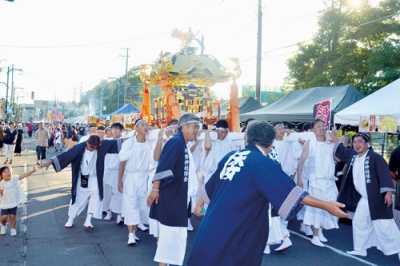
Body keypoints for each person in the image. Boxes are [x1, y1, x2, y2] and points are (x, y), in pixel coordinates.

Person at [187, 121, 349, 265]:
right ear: (271, 143)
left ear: (248, 138)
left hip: (212, 225)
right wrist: (326, 204)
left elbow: (208, 189)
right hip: (237, 229)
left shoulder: (231, 156)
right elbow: (293, 193)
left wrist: (199, 206)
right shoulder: (262, 162)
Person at [332, 132, 400, 260]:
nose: (357, 145)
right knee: (359, 222)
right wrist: (335, 140)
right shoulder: (353, 156)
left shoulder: (375, 157)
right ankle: (360, 249)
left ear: (367, 144)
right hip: (365, 199)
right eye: (355, 142)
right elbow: (342, 150)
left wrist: (388, 193)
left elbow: (385, 174)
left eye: (360, 142)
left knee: (385, 227)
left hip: (377, 198)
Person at [147, 114, 201, 266]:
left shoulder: (181, 143)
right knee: (170, 237)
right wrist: (155, 189)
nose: (197, 130)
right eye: (194, 127)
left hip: (180, 197)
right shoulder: (175, 142)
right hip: (173, 198)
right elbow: (163, 166)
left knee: (175, 238)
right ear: (183, 126)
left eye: (198, 127)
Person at [39, 135, 122, 229]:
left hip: (96, 177)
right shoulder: (79, 148)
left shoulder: (102, 145)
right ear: (87, 142)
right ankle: (70, 219)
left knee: (96, 197)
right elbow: (65, 155)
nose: (93, 149)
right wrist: (49, 162)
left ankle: (88, 220)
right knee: (79, 197)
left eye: (96, 147)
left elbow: (119, 142)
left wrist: (134, 137)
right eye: (91, 147)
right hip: (84, 177)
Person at [297, 118, 339, 247]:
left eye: (323, 125)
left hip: (330, 180)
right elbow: (301, 162)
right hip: (316, 180)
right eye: (319, 126)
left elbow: (338, 157)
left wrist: (335, 139)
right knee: (316, 208)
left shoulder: (330, 142)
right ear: (313, 130)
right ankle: (315, 236)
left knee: (331, 206)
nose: (322, 128)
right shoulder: (310, 143)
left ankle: (320, 230)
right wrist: (299, 179)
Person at [118, 119, 152, 245]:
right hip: (131, 177)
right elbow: (122, 162)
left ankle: (137, 226)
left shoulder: (150, 142)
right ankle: (131, 235)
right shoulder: (129, 143)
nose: (145, 127)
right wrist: (119, 180)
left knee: (143, 206)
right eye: (142, 125)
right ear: (136, 128)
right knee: (131, 205)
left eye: (146, 125)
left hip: (145, 177)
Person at [0, 165, 37, 236]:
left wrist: (32, 171)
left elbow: (23, 175)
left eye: (9, 171)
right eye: (5, 172)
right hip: (4, 203)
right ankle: (3, 226)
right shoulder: (1, 183)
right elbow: (1, 192)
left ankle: (13, 229)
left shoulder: (14, 179)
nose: (8, 173)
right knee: (4, 217)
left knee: (12, 217)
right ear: (1, 175)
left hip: (13, 203)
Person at [102, 123, 125, 225]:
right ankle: (108, 212)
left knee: (118, 193)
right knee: (107, 193)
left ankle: (119, 215)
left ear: (121, 131)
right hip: (107, 171)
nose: (115, 131)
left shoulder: (125, 142)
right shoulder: (106, 142)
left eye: (117, 129)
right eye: (113, 129)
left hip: (118, 171)